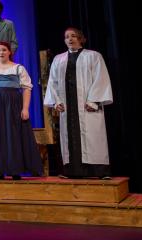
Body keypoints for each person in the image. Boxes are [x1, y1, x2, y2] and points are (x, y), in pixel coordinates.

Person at [43, 27, 113, 180]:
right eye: (67, 36)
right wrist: (56, 102)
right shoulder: (59, 59)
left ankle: (98, 171)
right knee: (70, 138)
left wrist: (94, 100)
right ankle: (70, 170)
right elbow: (53, 82)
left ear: (81, 39)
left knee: (92, 138)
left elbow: (100, 79)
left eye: (73, 36)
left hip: (87, 105)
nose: (70, 39)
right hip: (68, 106)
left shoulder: (93, 56)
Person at [0, 41, 42, 180]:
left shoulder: (18, 68)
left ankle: (15, 170)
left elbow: (26, 88)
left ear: (9, 52)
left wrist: (25, 108)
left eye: (4, 50)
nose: (1, 52)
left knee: (13, 135)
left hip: (13, 105)